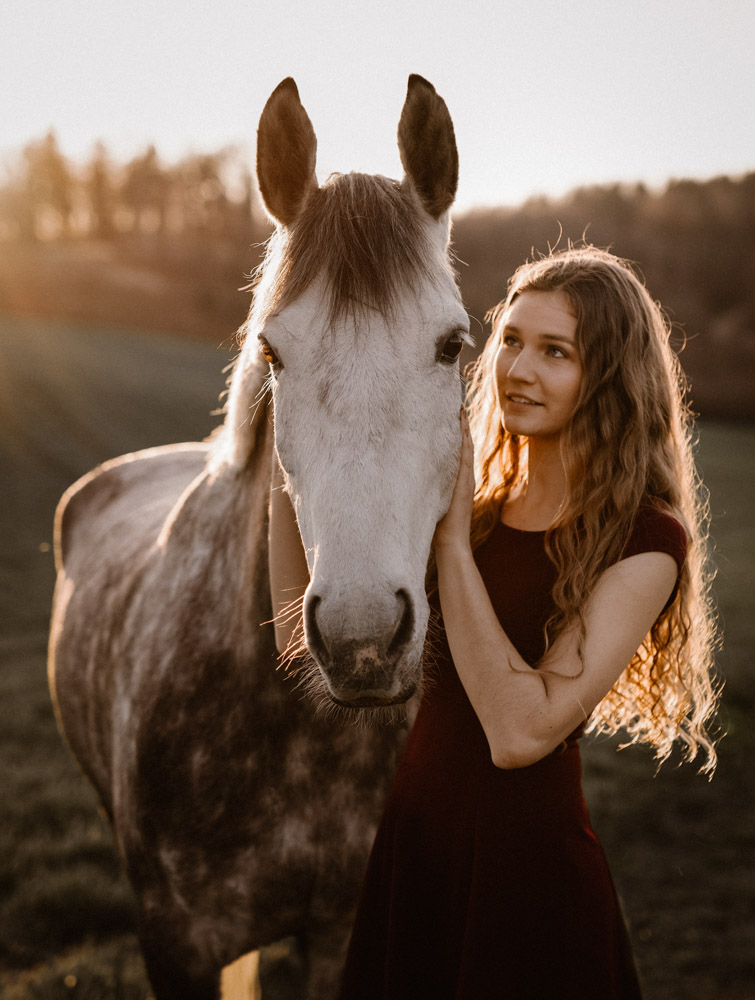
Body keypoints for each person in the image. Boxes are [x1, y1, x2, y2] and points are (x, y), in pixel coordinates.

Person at [276, 245, 719, 998]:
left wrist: (450, 543)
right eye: (510, 340)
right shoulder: (478, 515)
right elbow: (302, 635)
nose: (518, 369)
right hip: (416, 850)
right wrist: (292, 463)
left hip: (526, 878)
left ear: (608, 377)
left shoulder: (647, 540)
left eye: (555, 351)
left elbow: (522, 733)